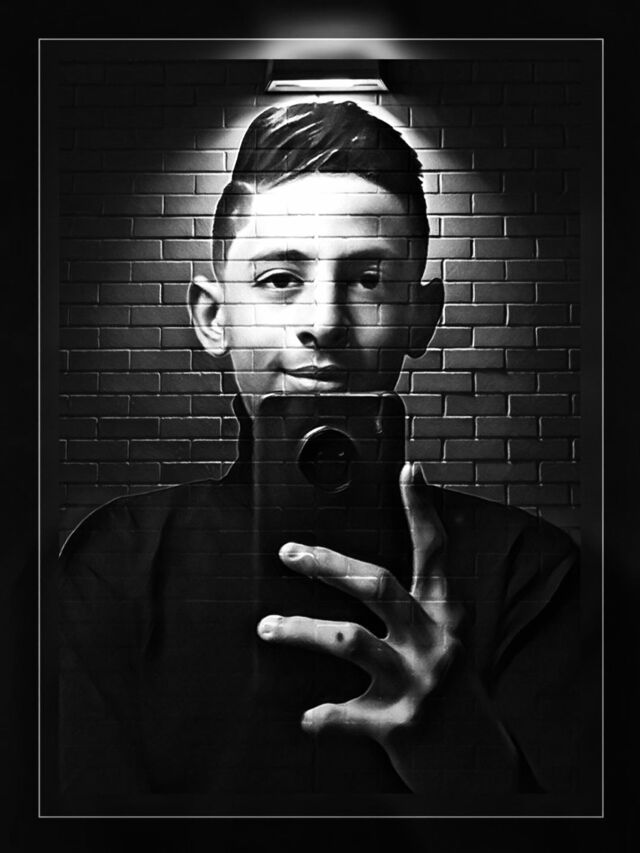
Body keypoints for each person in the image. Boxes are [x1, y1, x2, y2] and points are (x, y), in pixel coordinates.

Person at [57, 101, 594, 816]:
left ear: (423, 315)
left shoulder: (532, 571)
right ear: (214, 316)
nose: (326, 323)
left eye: (368, 278)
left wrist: (469, 759)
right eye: (280, 278)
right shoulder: (118, 559)